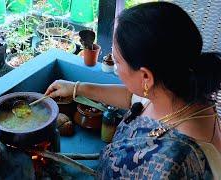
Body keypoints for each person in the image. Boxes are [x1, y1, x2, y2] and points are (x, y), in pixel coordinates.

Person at [45, 2, 221, 179]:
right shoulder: (176, 89)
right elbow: (133, 98)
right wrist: (76, 88)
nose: (115, 66)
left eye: (117, 61)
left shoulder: (174, 159)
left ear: (146, 77)